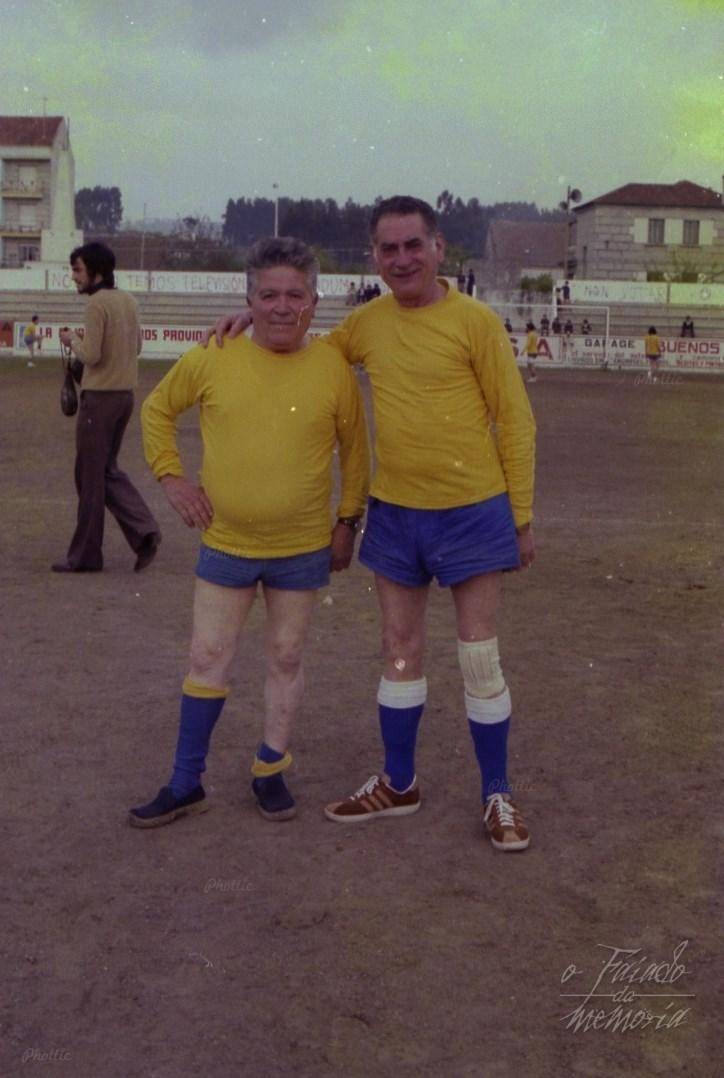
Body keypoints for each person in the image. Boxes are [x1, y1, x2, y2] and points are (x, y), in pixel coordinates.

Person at [210, 197, 536, 852]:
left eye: (414, 245)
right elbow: (309, 349)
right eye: (389, 249)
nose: (402, 259)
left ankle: (497, 793)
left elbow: (516, 420)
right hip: (397, 512)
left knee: (478, 655)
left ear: (438, 247)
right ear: (375, 257)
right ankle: (399, 781)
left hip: (473, 510)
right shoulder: (366, 324)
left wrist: (520, 518)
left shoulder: (475, 322)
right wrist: (258, 319)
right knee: (399, 649)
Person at [129, 237, 369, 829]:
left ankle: (270, 768)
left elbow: (355, 451)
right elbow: (157, 410)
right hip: (228, 542)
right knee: (207, 655)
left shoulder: (333, 368)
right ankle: (185, 781)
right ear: (249, 300)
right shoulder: (215, 354)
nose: (282, 306)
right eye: (268, 295)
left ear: (314, 301)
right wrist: (172, 479)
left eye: (295, 295)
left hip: (303, 547)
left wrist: (348, 520)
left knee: (286, 655)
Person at [53, 243, 161, 574]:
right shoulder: (128, 300)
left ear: (96, 272)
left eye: (78, 270)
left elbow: (92, 355)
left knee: (89, 477)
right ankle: (144, 531)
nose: (74, 277)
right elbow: (137, 346)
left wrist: (71, 340)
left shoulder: (96, 304)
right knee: (105, 471)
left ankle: (87, 555)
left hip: (99, 401)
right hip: (124, 398)